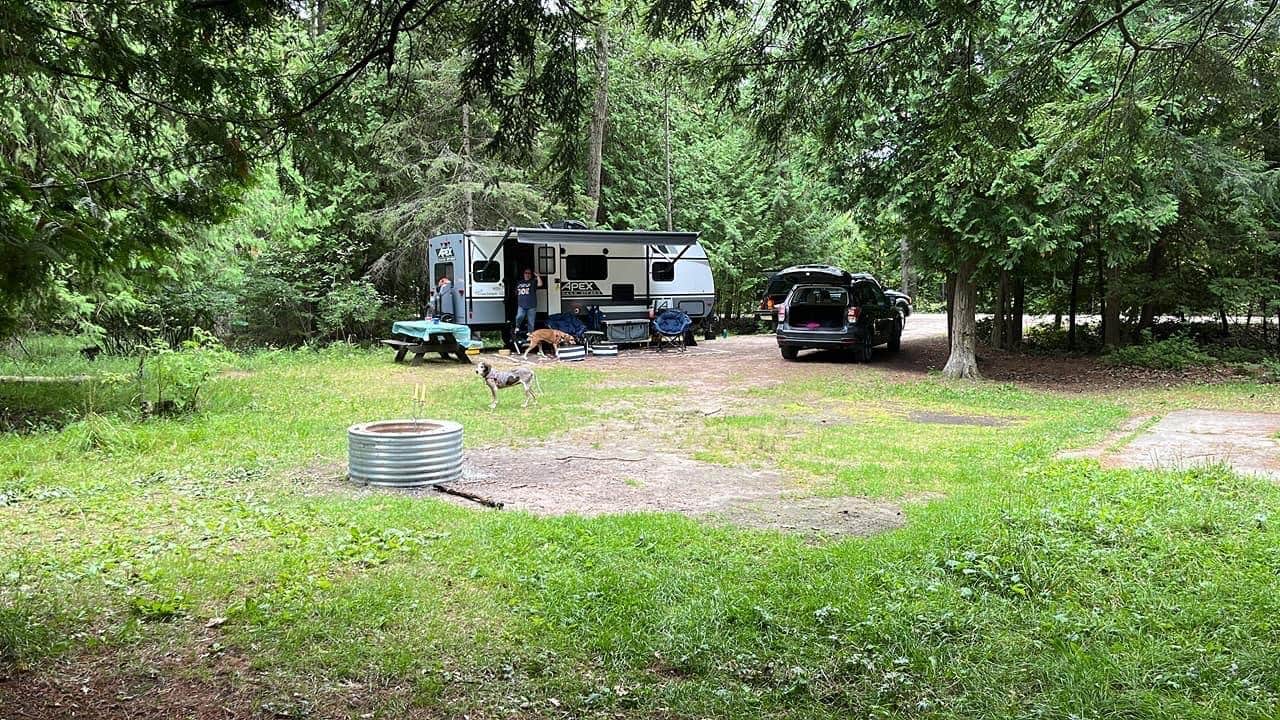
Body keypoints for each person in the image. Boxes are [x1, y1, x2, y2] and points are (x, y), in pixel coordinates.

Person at [514, 268, 542, 337]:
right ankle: (517, 327)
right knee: (519, 317)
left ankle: (530, 334)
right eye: (526, 273)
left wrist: (538, 276)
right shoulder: (519, 282)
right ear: (524, 274)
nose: (527, 274)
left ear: (531, 275)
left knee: (531, 321)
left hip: (532, 305)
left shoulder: (533, 281)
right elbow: (516, 292)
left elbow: (540, 284)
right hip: (521, 305)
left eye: (529, 273)